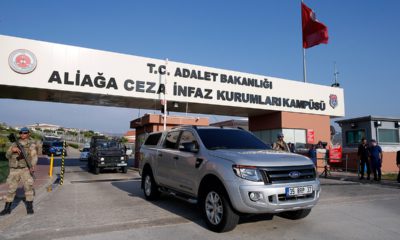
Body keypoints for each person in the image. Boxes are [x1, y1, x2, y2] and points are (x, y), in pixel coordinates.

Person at [0, 127, 38, 216]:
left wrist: (32, 166)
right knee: (11, 189)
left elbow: (34, 157)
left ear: (28, 134)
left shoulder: (31, 145)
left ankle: (29, 207)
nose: (23, 134)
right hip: (14, 170)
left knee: (28, 187)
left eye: (25, 133)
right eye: (21, 133)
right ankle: (7, 209)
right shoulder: (14, 144)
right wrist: (11, 150)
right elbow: (7, 155)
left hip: (25, 169)